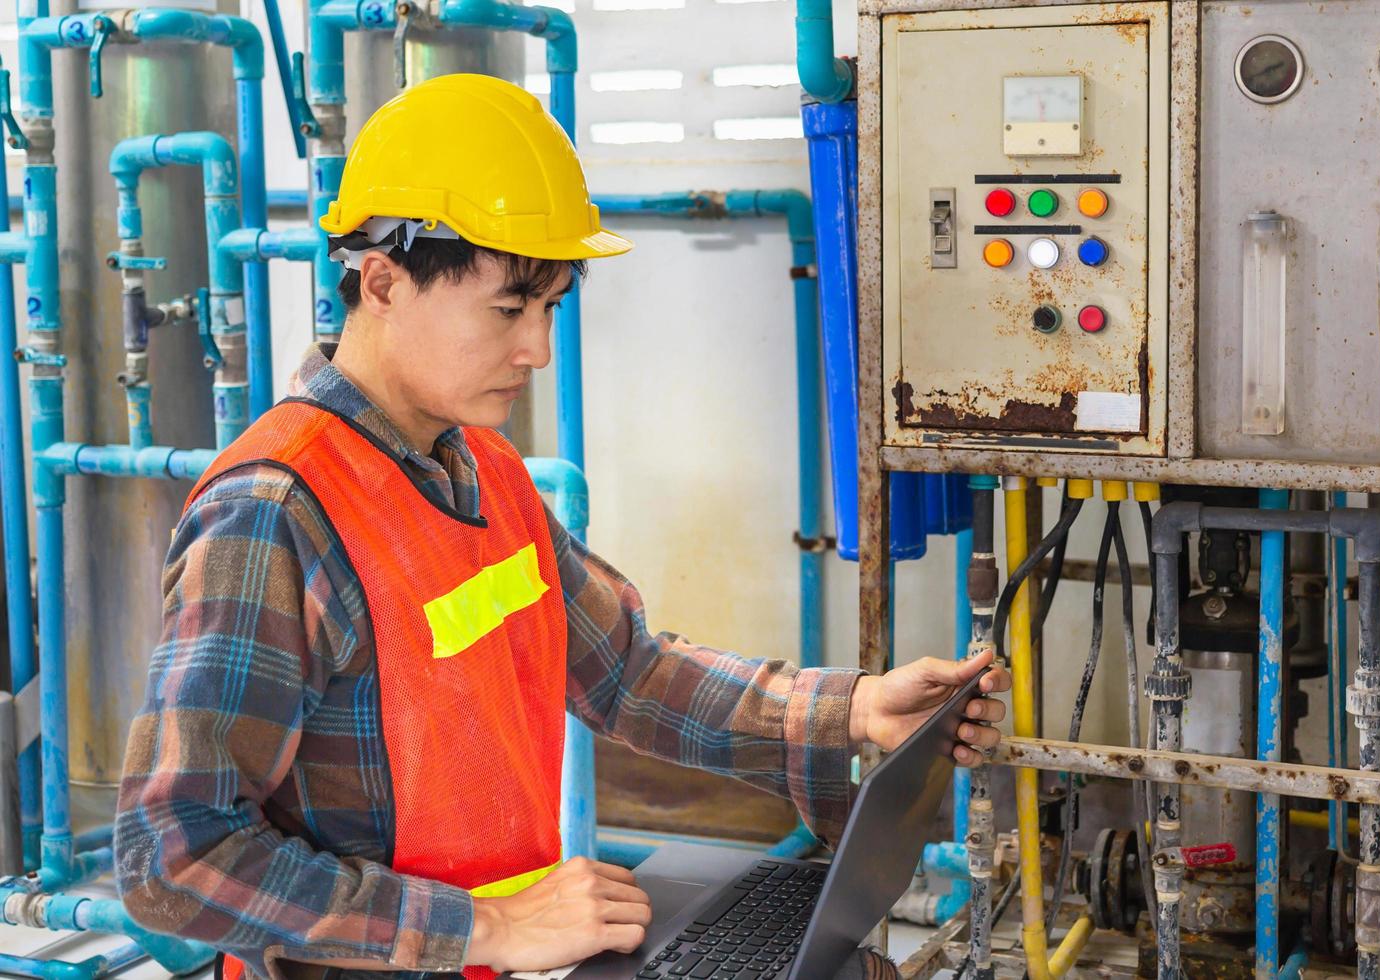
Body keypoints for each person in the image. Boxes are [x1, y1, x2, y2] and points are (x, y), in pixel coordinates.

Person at [113, 73, 1009, 980]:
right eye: (509, 309)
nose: (537, 349)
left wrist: (851, 709)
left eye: (550, 309)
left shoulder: (484, 471)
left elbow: (626, 671)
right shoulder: (273, 515)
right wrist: (485, 927)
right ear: (381, 281)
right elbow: (174, 859)